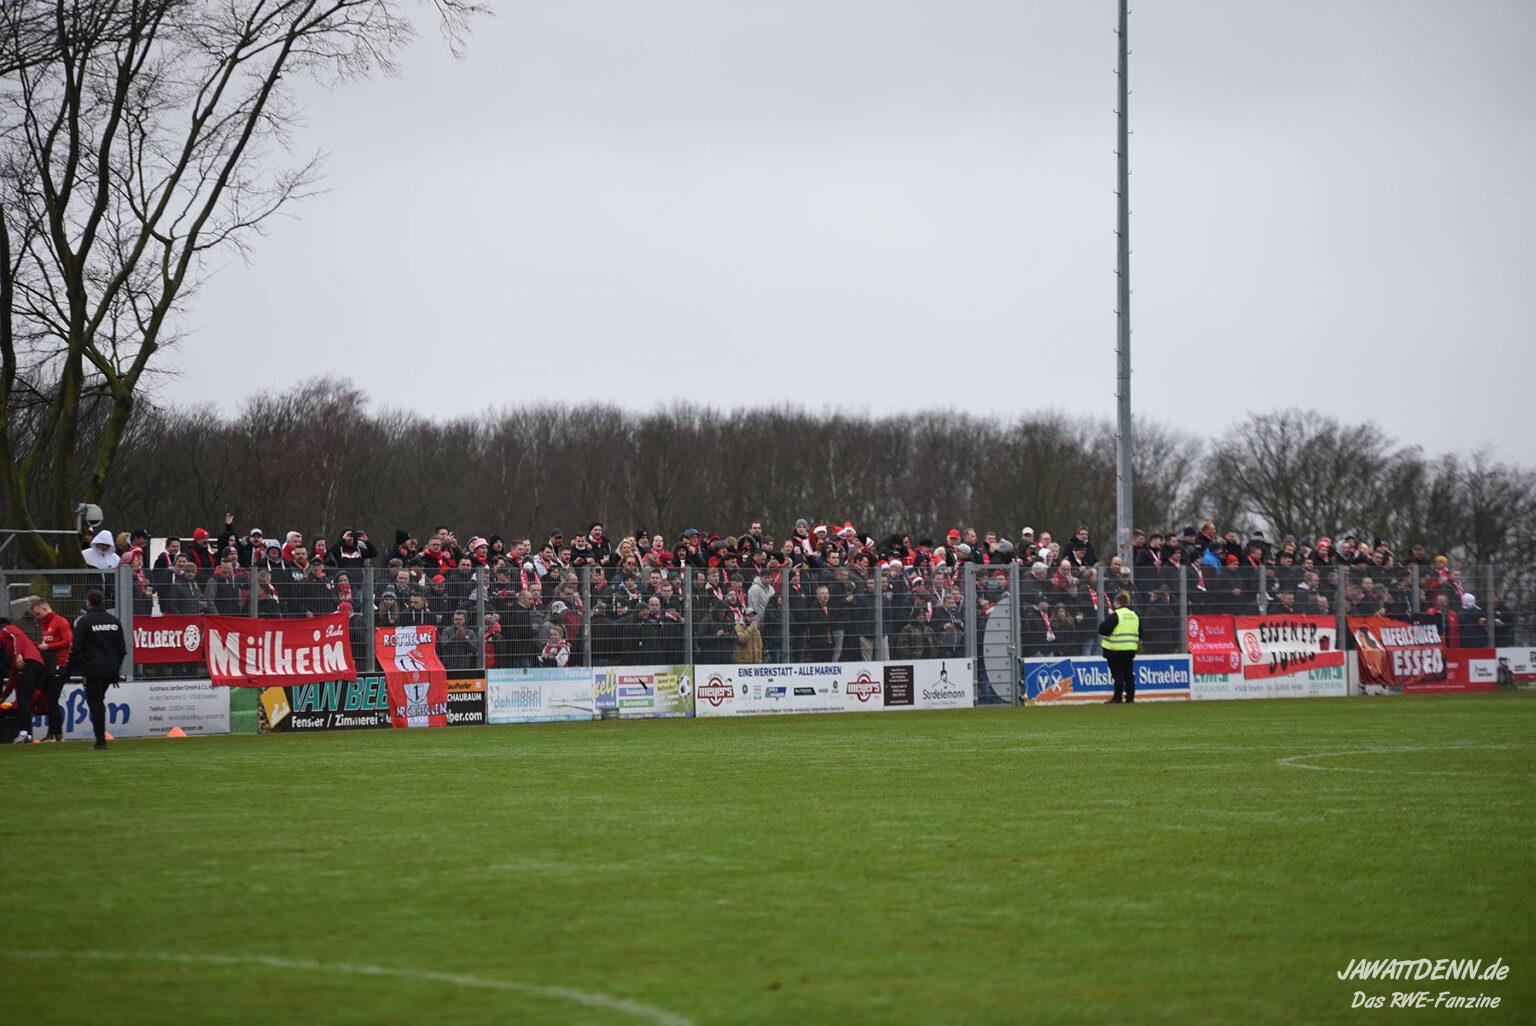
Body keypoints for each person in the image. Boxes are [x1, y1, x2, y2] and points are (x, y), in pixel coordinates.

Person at [67, 591, 127, 749]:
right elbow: (122, 649)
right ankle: (101, 739)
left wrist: (69, 670)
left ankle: (101, 741)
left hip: (93, 669)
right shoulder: (114, 621)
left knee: (96, 704)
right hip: (110, 670)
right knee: (99, 700)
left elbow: (76, 648)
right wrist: (116, 670)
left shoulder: (85, 621)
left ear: (88, 602)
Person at [29, 599, 73, 742]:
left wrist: (48, 647)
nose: (37, 616)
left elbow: (68, 642)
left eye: (37, 613)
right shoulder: (45, 623)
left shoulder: (59, 621)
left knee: (52, 700)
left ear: (44, 608)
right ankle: (54, 734)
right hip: (50, 666)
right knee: (50, 700)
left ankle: (56, 734)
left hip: (59, 665)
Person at [1, 617, 47, 743]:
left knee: (23, 698)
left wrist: (18, 654)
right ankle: (28, 735)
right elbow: (13, 677)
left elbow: (17, 637)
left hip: (29, 663)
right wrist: (4, 697)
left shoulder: (7, 629)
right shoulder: (23, 645)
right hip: (37, 665)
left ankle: (24, 733)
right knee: (26, 700)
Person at [1097, 590, 1141, 704]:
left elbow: (1103, 630)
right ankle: (1130, 698)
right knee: (1129, 674)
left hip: (1115, 650)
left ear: (1117, 603)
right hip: (1130, 649)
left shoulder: (1115, 615)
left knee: (1118, 675)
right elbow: (1140, 632)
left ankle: (1117, 698)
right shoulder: (1134, 616)